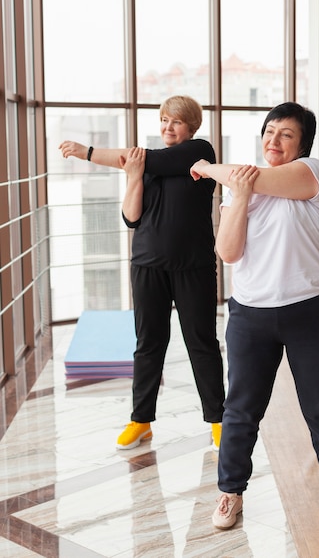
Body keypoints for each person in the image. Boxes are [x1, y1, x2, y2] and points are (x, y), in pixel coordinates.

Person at [190, 101, 319, 534]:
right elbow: (228, 253)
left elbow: (247, 176)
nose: (274, 141)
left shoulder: (313, 173)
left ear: (303, 144)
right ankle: (230, 493)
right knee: (241, 410)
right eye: (269, 132)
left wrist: (206, 167)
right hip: (251, 315)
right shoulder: (242, 188)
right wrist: (241, 192)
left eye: (286, 134)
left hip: (312, 311)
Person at [60, 95, 225, 451]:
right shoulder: (145, 164)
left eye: (176, 121)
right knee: (148, 344)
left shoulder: (200, 152)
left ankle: (218, 421)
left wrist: (86, 152)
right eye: (164, 120)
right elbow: (131, 218)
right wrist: (134, 177)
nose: (168, 127)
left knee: (202, 343)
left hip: (192, 266)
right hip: (148, 263)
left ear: (191, 126)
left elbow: (145, 159)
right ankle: (141, 421)